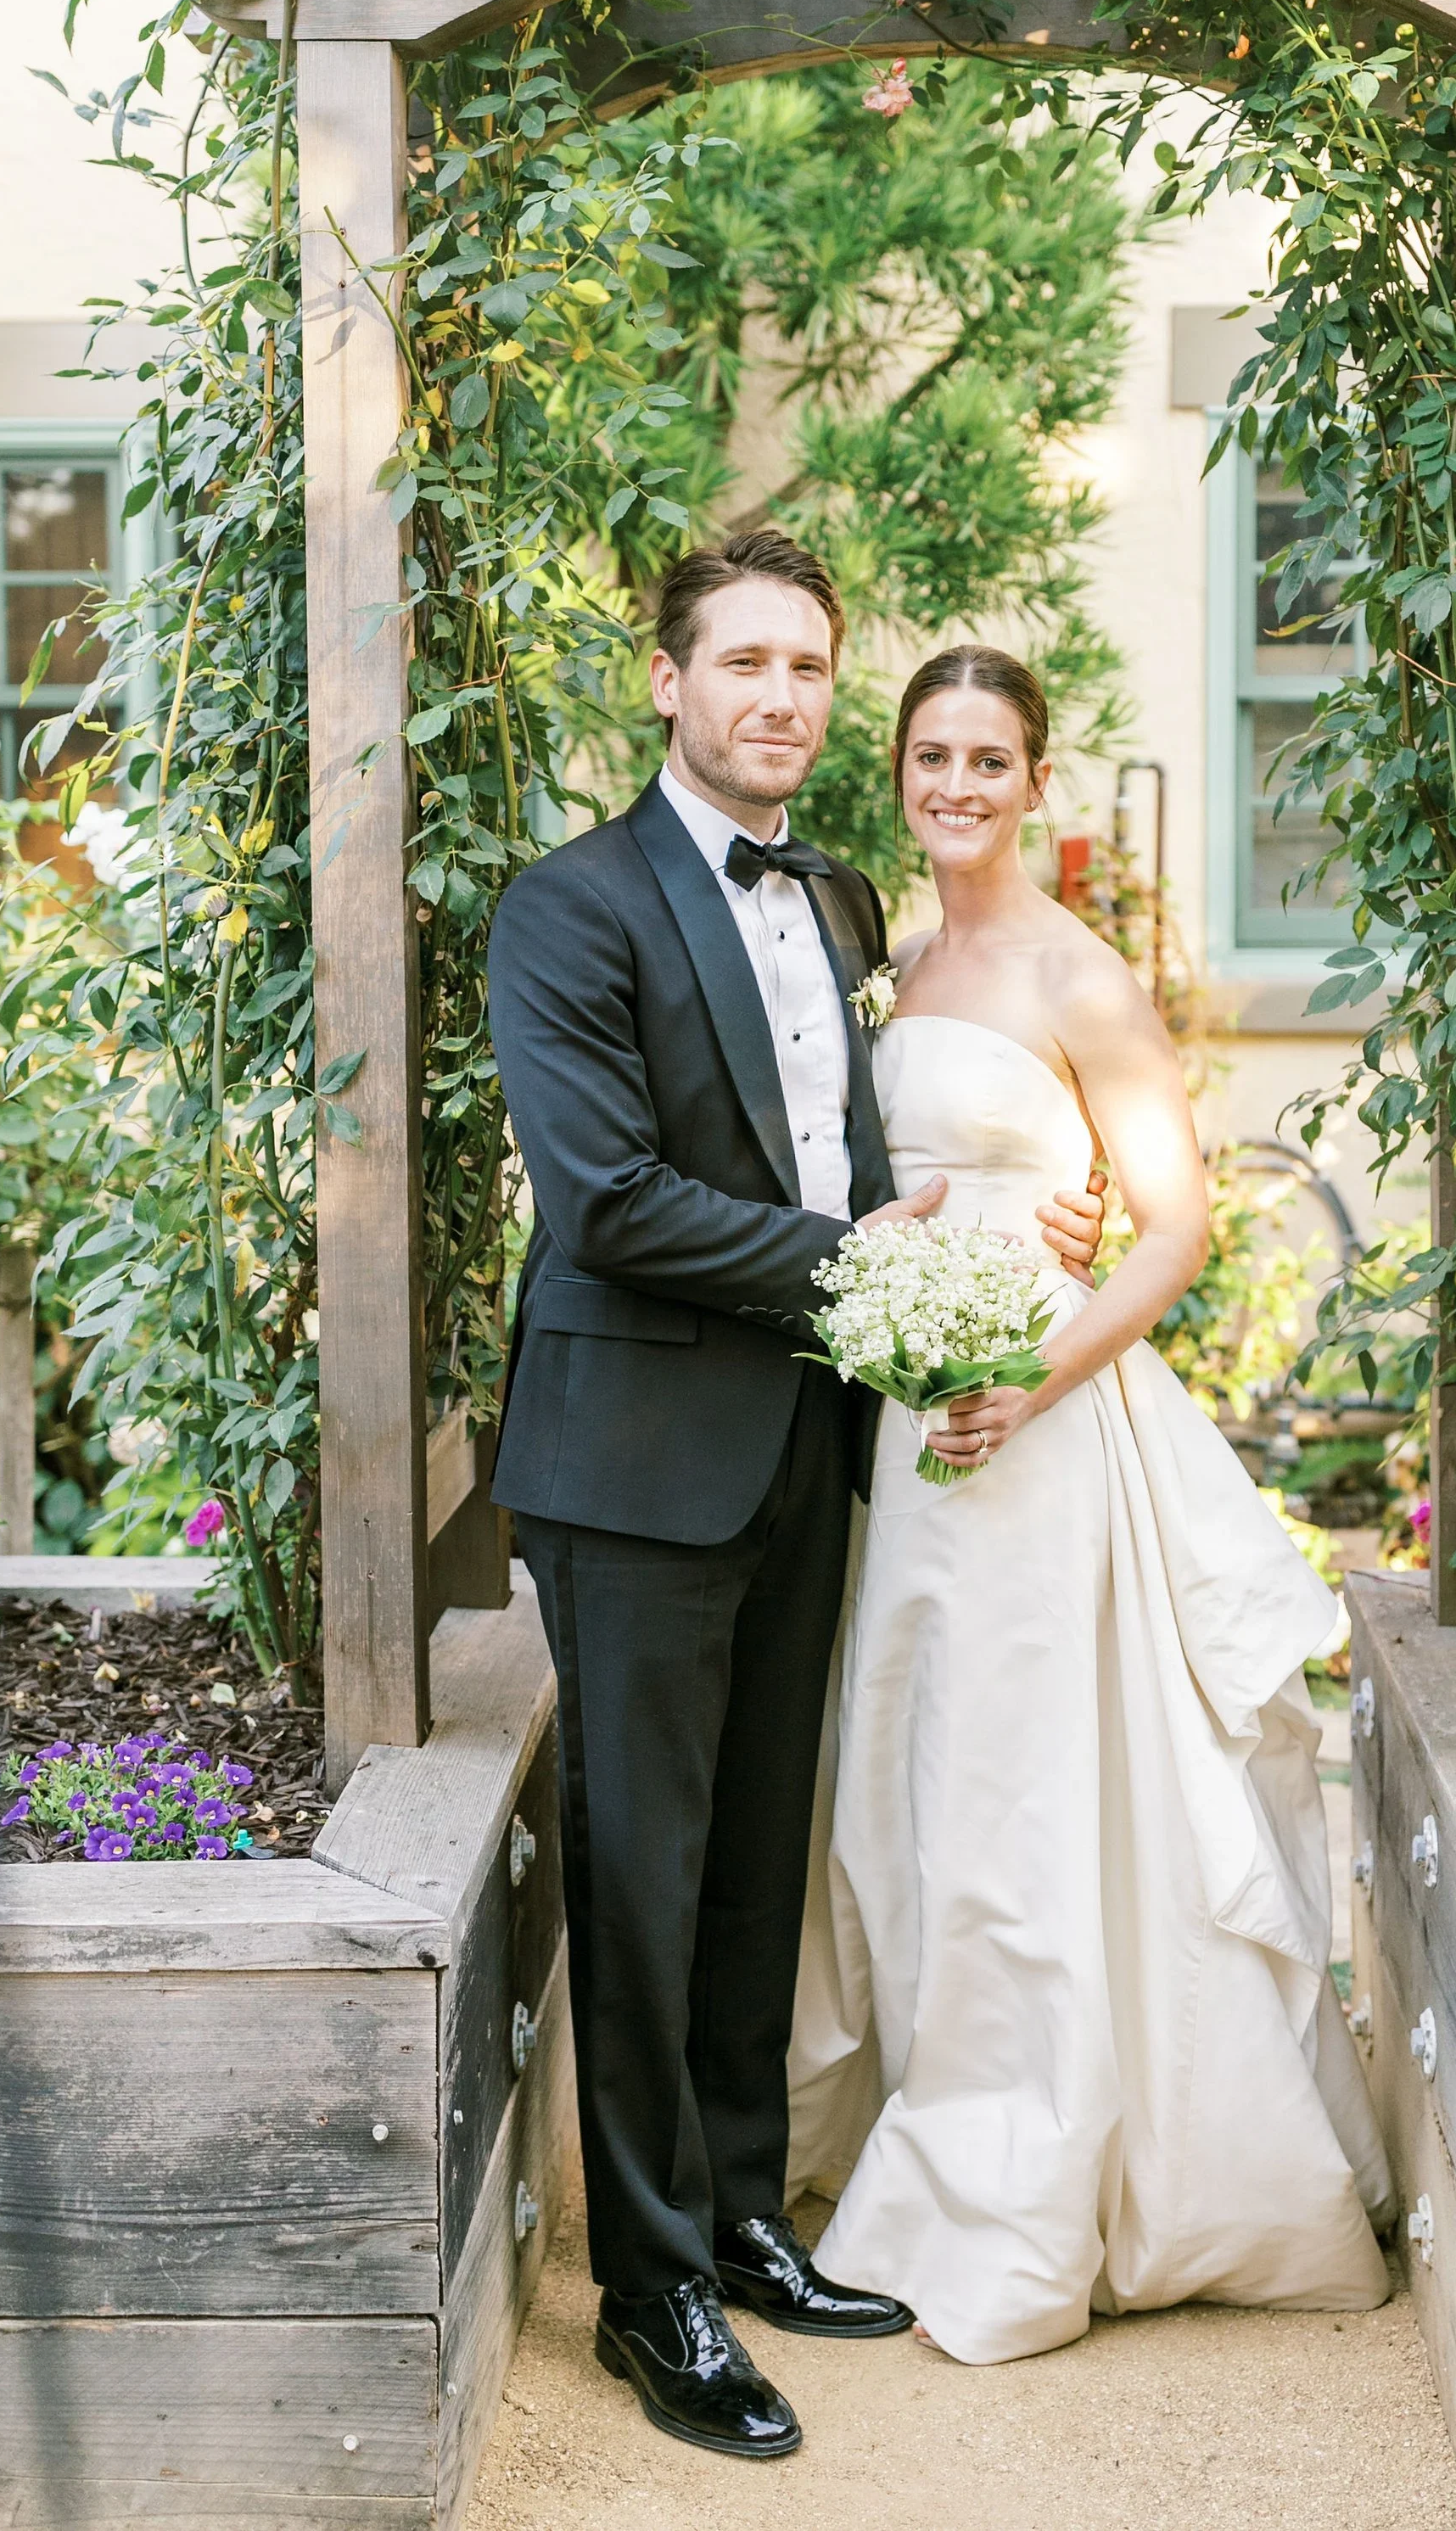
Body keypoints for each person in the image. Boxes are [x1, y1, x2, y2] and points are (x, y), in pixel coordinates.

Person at [486, 535, 1105, 2461]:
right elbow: (605, 1201)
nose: (779, 695)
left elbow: (880, 1124)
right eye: (741, 661)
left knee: (758, 1859)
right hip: (633, 1464)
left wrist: (1020, 1210)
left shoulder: (839, 893)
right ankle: (650, 2289)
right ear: (665, 683)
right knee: (644, 1876)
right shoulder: (564, 909)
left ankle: (743, 2210)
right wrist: (860, 1264)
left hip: (806, 1449)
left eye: (808, 666)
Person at [787, 643, 1396, 2364]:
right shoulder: (892, 962)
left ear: (1035, 783)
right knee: (904, 1776)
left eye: (988, 761)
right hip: (905, 1428)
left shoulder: (1080, 977)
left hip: (1034, 1425)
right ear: (897, 776)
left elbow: (1174, 1227)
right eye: (929, 758)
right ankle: (935, 2101)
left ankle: (1039, 2168)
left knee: (1024, 1789)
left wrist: (1030, 1371)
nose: (956, 788)